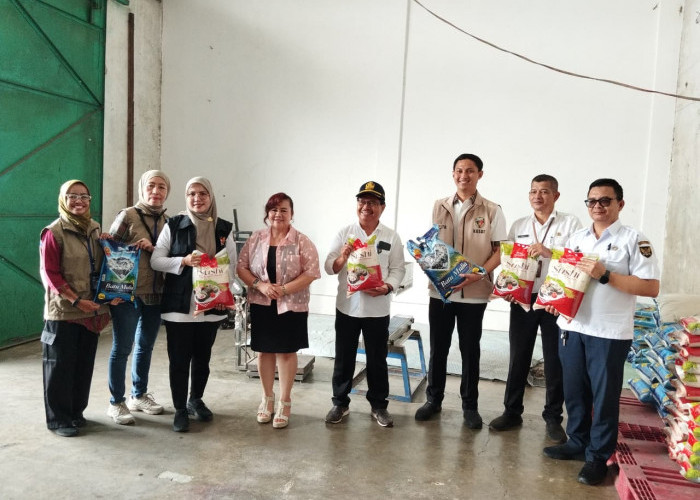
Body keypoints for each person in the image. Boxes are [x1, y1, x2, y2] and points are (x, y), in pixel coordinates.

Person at [542, 178, 659, 486]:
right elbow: (564, 278)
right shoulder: (577, 238)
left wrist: (605, 274)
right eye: (592, 201)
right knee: (574, 391)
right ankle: (577, 442)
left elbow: (651, 287)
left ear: (620, 204)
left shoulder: (634, 240)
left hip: (609, 332)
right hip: (571, 327)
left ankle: (597, 457)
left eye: (605, 200)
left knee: (604, 397)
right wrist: (555, 301)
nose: (598, 206)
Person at [414, 153, 507, 429]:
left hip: (474, 293)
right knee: (438, 349)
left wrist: (479, 273)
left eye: (469, 171)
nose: (463, 176)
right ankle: (433, 400)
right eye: (459, 170)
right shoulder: (439, 205)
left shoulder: (492, 210)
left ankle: (470, 406)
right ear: (453, 173)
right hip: (440, 292)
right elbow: (432, 244)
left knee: (470, 350)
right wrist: (424, 257)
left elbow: (500, 251)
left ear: (480, 174)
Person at [488, 175, 581, 442]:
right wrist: (508, 289)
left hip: (554, 299)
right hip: (524, 298)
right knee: (518, 356)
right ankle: (511, 412)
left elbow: (578, 259)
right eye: (533, 192)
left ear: (556, 196)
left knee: (554, 359)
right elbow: (508, 260)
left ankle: (553, 418)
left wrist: (550, 252)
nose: (537, 196)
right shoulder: (519, 225)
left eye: (544, 192)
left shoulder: (570, 224)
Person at [151, 177, 236, 432]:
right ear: (186, 197)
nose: (197, 198)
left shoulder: (223, 228)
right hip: (180, 307)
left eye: (202, 193)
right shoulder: (174, 225)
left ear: (211, 196)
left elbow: (231, 265)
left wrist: (224, 297)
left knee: (202, 358)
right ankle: (180, 409)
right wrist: (184, 261)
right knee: (179, 360)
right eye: (191, 193)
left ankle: (195, 400)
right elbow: (156, 260)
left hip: (212, 306)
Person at [39, 180, 118, 437]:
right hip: (65, 311)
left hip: (91, 310)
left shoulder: (94, 228)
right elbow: (50, 273)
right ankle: (58, 419)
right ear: (63, 199)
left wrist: (108, 244)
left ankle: (76, 413)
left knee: (83, 366)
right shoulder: (54, 233)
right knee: (59, 367)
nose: (79, 201)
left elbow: (104, 265)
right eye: (72, 196)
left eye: (84, 196)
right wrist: (75, 300)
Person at [324, 181, 405, 427]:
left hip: (377, 310)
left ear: (382, 207)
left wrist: (387, 287)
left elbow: (398, 269)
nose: (366, 206)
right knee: (344, 357)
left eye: (372, 202)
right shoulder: (345, 233)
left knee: (377, 360)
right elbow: (329, 267)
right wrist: (343, 256)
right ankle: (340, 403)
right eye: (362, 201)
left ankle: (379, 406)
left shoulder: (391, 236)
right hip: (347, 307)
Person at [237, 193, 321, 429]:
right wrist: (260, 285)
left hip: (291, 304)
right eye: (274, 210)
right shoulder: (256, 238)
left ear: (292, 214)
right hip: (261, 302)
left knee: (286, 352)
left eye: (284, 210)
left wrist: (283, 289)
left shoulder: (301, 240)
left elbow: (312, 272)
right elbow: (241, 267)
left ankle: (285, 402)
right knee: (264, 352)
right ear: (267, 213)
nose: (278, 214)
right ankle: (267, 398)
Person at [106, 170, 170, 425]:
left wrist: (152, 248)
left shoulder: (169, 221)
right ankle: (116, 402)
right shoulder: (128, 215)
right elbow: (109, 250)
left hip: (156, 294)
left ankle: (138, 395)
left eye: (162, 187)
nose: (156, 191)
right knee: (122, 348)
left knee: (145, 346)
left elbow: (171, 256)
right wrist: (132, 247)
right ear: (142, 188)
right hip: (127, 295)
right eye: (151, 185)